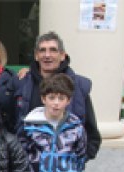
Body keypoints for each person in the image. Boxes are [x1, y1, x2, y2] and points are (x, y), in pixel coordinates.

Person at [14, 31, 100, 160]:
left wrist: (78, 162)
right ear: (36, 56)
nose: (47, 55)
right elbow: (12, 123)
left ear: (62, 56)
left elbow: (91, 130)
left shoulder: (79, 86)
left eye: (53, 50)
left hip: (64, 171)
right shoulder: (22, 83)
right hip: (28, 168)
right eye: (42, 50)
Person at [20, 74, 87, 172]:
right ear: (44, 99)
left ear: (68, 100)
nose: (56, 103)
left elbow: (80, 156)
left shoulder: (76, 127)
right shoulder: (30, 125)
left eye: (61, 98)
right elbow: (22, 155)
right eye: (52, 97)